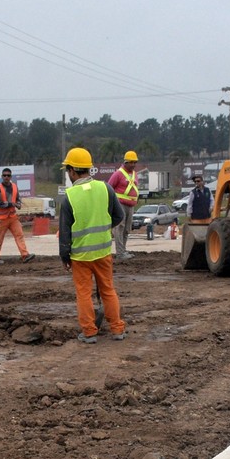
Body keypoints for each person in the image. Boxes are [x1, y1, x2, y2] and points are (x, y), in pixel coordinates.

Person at [58, 147, 126, 343]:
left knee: (84, 294)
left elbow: (65, 233)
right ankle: (117, 329)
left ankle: (89, 332)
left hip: (80, 257)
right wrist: (105, 229)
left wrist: (65, 256)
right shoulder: (106, 188)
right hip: (103, 251)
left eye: (67, 171)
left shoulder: (70, 197)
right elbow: (119, 216)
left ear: (72, 170)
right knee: (108, 290)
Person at [0, 167, 33, 264]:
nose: (6, 177)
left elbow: (18, 198)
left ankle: (25, 255)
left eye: (8, 175)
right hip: (2, 219)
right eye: (4, 175)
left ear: (10, 177)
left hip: (13, 217)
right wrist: (10, 204)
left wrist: (18, 204)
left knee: (20, 236)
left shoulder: (14, 187)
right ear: (2, 176)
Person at [108, 150, 139, 258]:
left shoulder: (135, 174)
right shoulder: (118, 174)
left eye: (135, 162)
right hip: (120, 204)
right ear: (126, 162)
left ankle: (123, 250)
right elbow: (109, 187)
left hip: (131, 205)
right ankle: (120, 252)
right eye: (131, 162)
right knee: (119, 228)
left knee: (126, 229)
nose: (133, 165)